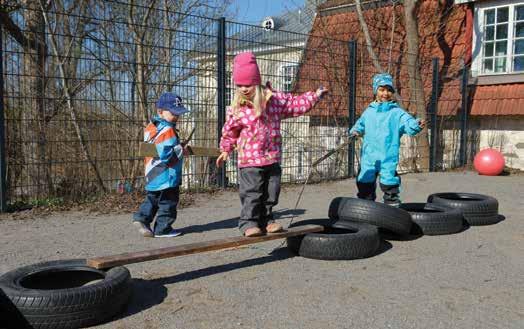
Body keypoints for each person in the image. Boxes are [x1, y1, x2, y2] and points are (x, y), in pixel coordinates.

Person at [216, 52, 328, 237]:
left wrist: (314, 96)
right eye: (240, 85)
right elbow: (229, 130)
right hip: (250, 160)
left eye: (248, 84)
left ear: (257, 82)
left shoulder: (274, 101)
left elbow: (295, 104)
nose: (244, 89)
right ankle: (248, 222)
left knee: (271, 192)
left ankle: (267, 219)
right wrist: (225, 149)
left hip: (272, 157)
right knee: (252, 193)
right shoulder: (238, 110)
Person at [349, 73, 426, 207]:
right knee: (364, 181)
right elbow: (360, 124)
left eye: (389, 90)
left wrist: (416, 124)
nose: (386, 93)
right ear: (375, 91)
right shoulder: (369, 111)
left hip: (388, 155)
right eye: (382, 89)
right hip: (369, 155)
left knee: (389, 182)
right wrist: (355, 131)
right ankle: (365, 207)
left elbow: (408, 123)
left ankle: (392, 208)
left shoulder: (397, 113)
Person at [132, 92, 189, 238]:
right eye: (173, 113)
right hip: (167, 175)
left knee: (153, 198)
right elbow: (167, 155)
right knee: (168, 202)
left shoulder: (151, 127)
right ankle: (163, 229)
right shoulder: (168, 130)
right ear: (160, 111)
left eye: (178, 113)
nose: (176, 116)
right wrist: (182, 149)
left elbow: (158, 147)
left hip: (153, 172)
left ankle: (142, 219)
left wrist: (177, 145)